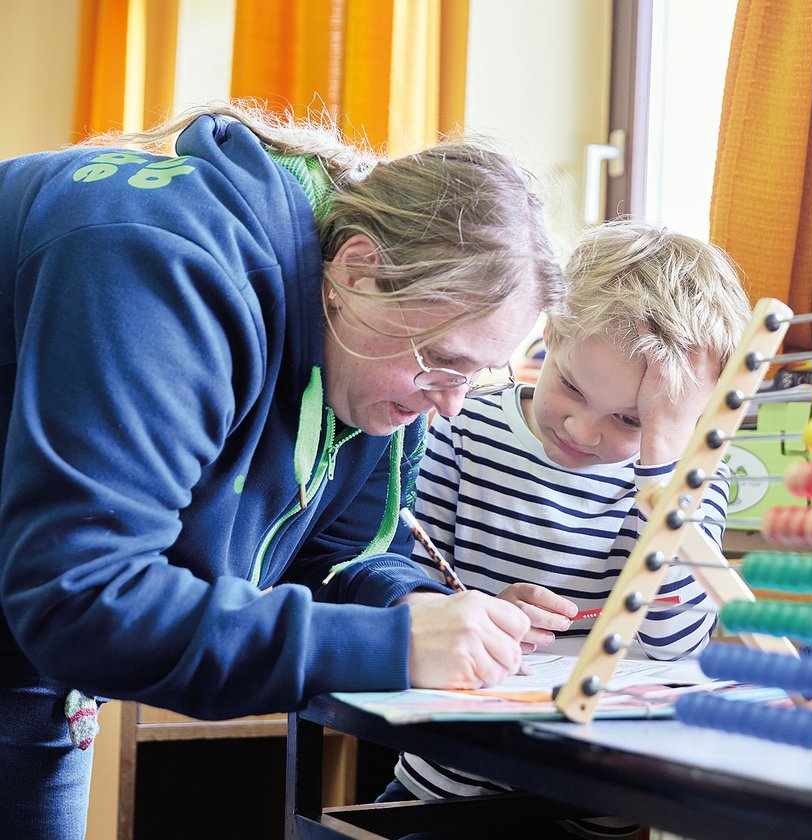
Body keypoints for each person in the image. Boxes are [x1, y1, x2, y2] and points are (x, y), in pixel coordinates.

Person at [0, 102, 565, 839]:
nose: (450, 407)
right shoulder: (164, 264)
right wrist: (391, 649)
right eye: (442, 365)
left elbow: (342, 558)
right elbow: (81, 598)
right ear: (359, 270)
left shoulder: (374, 359)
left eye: (478, 376)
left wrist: (413, 608)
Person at [380, 219, 754, 838]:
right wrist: (473, 608)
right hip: (449, 790)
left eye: (630, 419)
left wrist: (662, 462)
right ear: (550, 332)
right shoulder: (460, 430)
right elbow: (403, 582)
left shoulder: (690, 484)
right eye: (572, 387)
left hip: (596, 803)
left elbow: (677, 641)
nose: (583, 430)